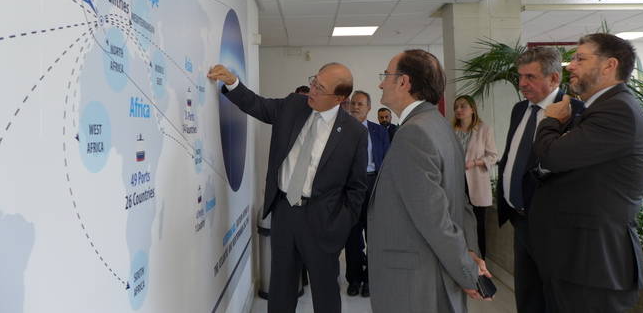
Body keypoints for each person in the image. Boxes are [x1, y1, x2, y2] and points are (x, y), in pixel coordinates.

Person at [207, 62, 367, 313]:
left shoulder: (354, 133)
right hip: (285, 213)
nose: (312, 90)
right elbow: (258, 105)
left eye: (320, 88)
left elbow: (357, 188)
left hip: (323, 220)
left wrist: (340, 225)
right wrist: (232, 82)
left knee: (325, 292)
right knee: (281, 287)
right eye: (314, 81)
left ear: (339, 98)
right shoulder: (294, 105)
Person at [529, 33, 643, 312]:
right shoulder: (598, 109)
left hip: (594, 264)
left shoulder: (617, 110)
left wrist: (550, 120)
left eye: (579, 58)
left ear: (610, 65)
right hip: (577, 260)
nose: (570, 66)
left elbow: (552, 155)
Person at [368, 49, 490, 313]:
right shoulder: (440, 125)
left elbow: (435, 219)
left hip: (416, 282)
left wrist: (467, 272)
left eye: (386, 75)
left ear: (403, 81)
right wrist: (470, 252)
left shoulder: (414, 133)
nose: (381, 82)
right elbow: (461, 203)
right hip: (434, 273)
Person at [496, 46, 584, 313]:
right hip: (520, 219)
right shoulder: (520, 109)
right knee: (527, 294)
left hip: (553, 226)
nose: (522, 83)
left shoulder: (577, 113)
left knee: (554, 298)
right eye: (520, 76)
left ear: (555, 78)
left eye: (530, 77)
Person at [345, 90, 389, 298]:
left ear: (369, 107)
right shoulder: (341, 129)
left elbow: (387, 162)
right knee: (352, 237)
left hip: (373, 184)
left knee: (374, 236)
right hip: (351, 187)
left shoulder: (379, 132)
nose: (355, 107)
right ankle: (354, 279)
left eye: (360, 104)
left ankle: (371, 279)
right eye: (353, 103)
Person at [453, 95, 497, 259]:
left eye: (462, 106)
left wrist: (475, 162)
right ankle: (462, 261)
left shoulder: (484, 129)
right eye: (456, 107)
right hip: (456, 183)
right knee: (459, 225)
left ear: (472, 109)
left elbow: (493, 156)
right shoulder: (452, 131)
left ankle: (481, 262)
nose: (458, 110)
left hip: (476, 182)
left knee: (478, 226)